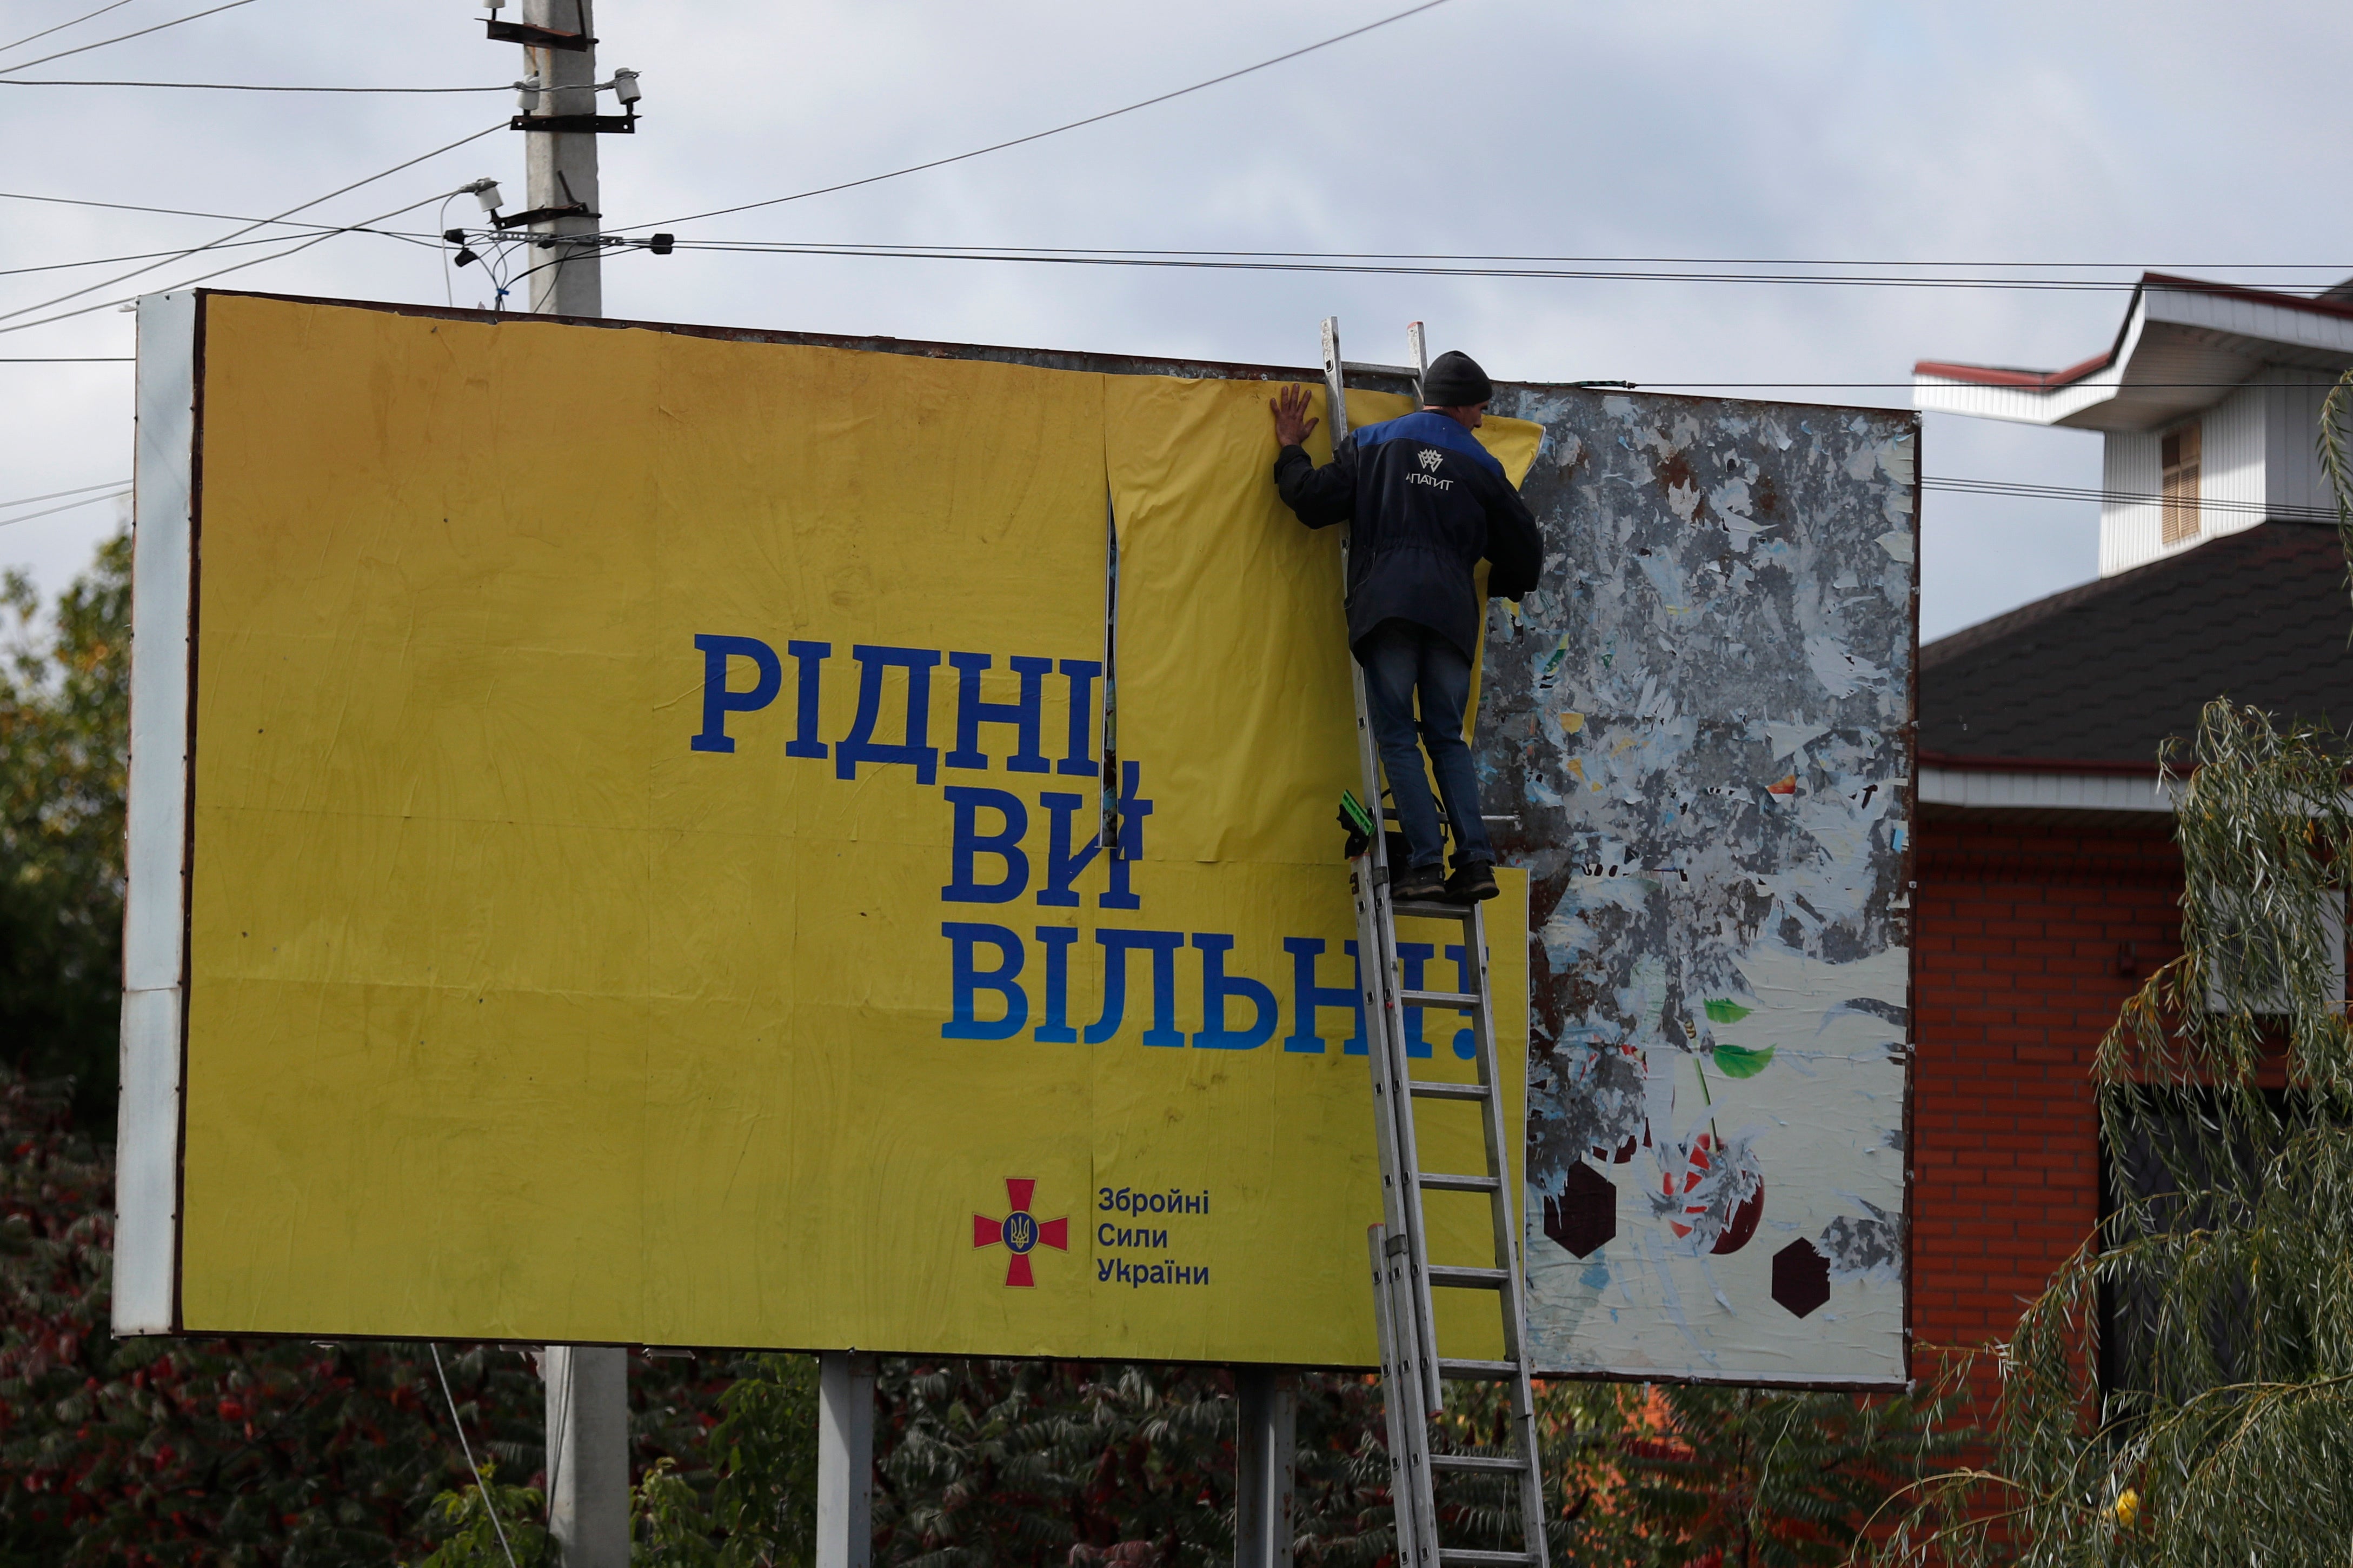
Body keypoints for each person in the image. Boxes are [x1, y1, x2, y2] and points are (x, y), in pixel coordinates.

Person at [1269, 350, 1542, 903]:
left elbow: (1313, 501)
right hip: (1448, 616)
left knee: (1397, 737)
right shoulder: (1481, 464)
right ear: (1463, 405)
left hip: (1386, 608)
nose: (1482, 421)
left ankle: (1421, 867)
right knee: (1446, 738)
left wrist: (1291, 450)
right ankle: (1472, 863)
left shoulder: (1374, 444)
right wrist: (1507, 581)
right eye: (1480, 410)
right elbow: (1525, 548)